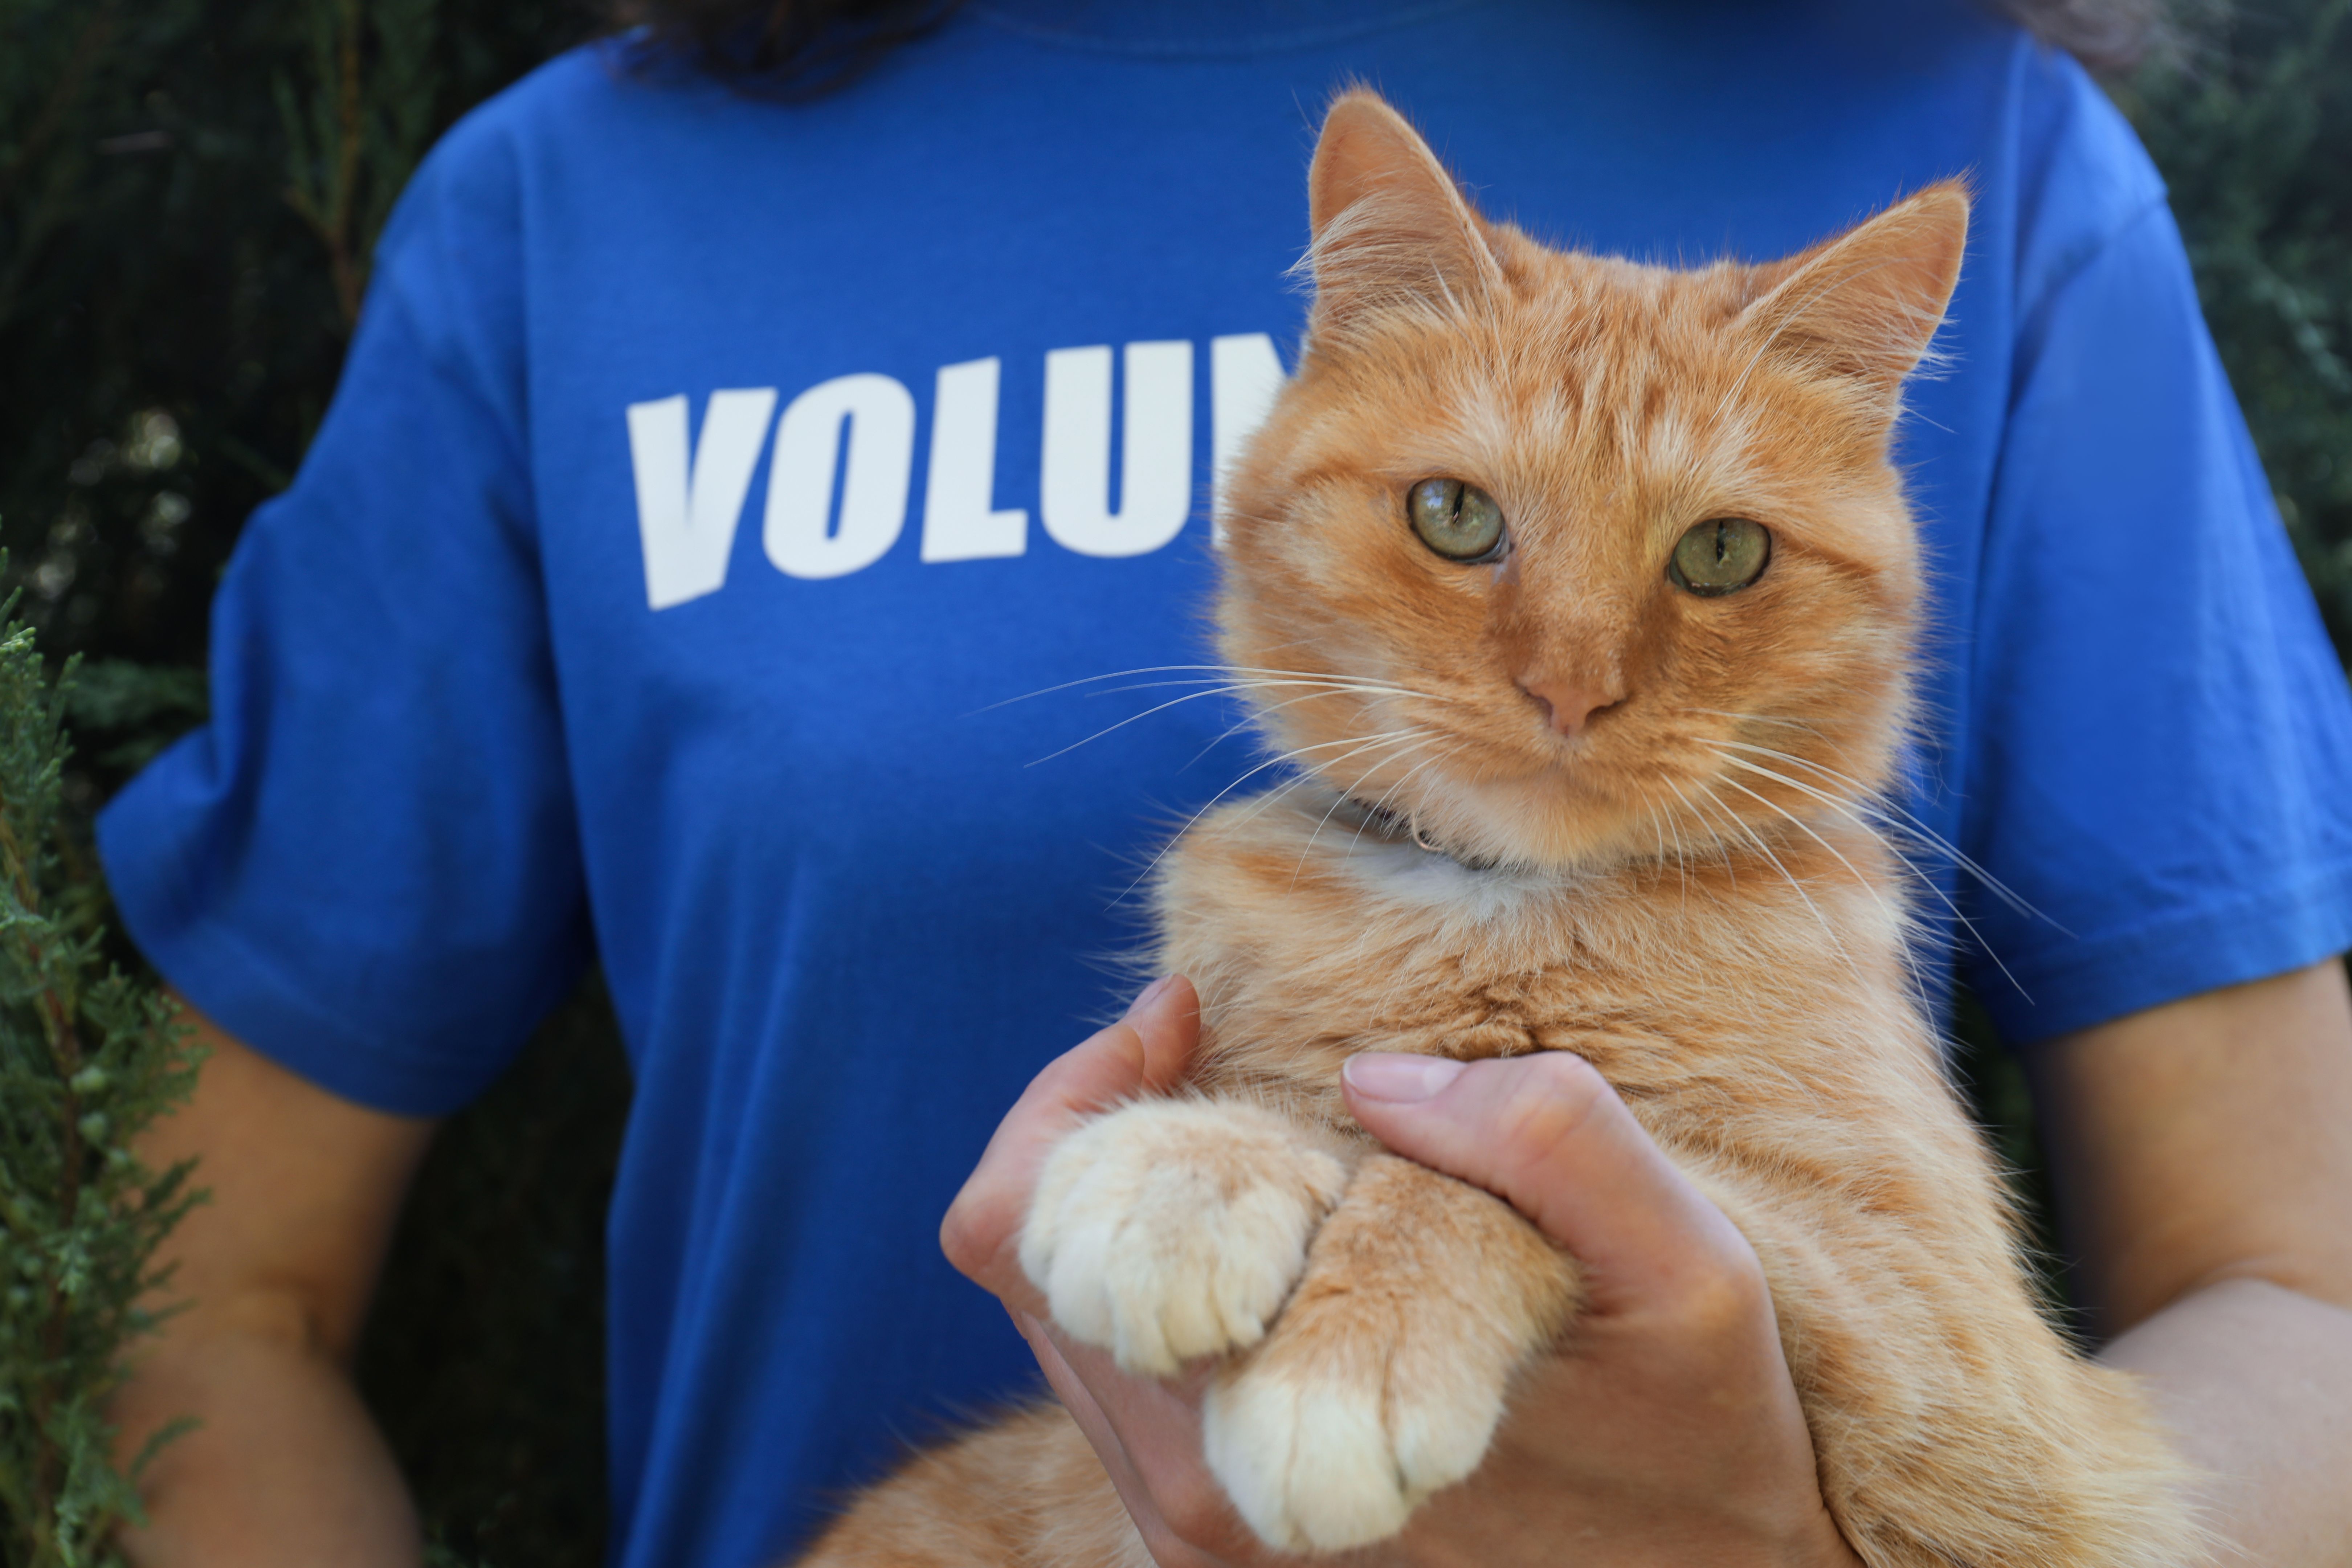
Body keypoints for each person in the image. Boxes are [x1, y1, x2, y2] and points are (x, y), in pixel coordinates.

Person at [100, 1, 2352, 1565]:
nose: (1575, 678)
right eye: (1463, 527)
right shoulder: (573, 210)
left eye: (1714, 563)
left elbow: (2306, 1298)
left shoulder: (1965, 138)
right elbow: (206, 1293)